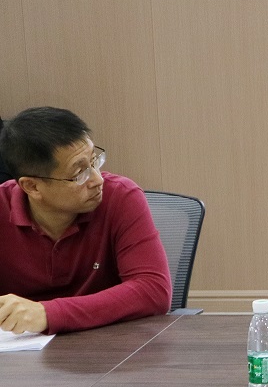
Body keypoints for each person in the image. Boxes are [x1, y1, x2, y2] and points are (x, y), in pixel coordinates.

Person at [0, 107, 171, 334]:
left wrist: (48, 314)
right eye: (79, 173)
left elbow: (153, 290)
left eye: (94, 161)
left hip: (108, 344)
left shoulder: (121, 196)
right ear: (32, 186)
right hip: (19, 349)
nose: (97, 180)